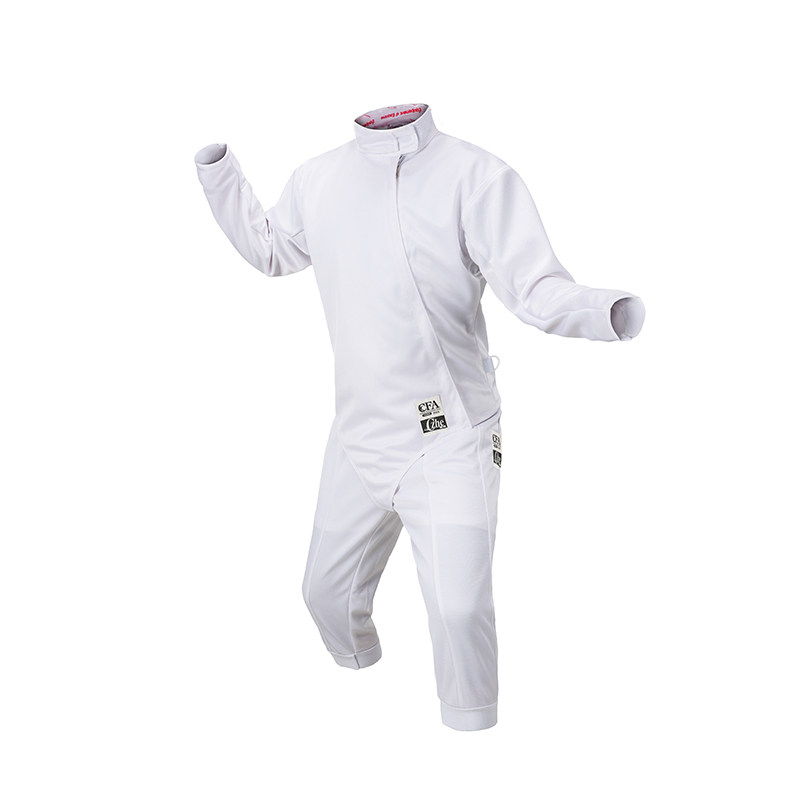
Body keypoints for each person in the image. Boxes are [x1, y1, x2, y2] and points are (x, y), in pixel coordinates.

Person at [194, 102, 645, 731]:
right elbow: (272, 249)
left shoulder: (474, 176)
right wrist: (219, 170)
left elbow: (534, 287)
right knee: (322, 594)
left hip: (451, 438)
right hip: (357, 434)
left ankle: (471, 726)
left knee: (460, 612)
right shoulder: (317, 178)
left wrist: (604, 311)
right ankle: (359, 667)